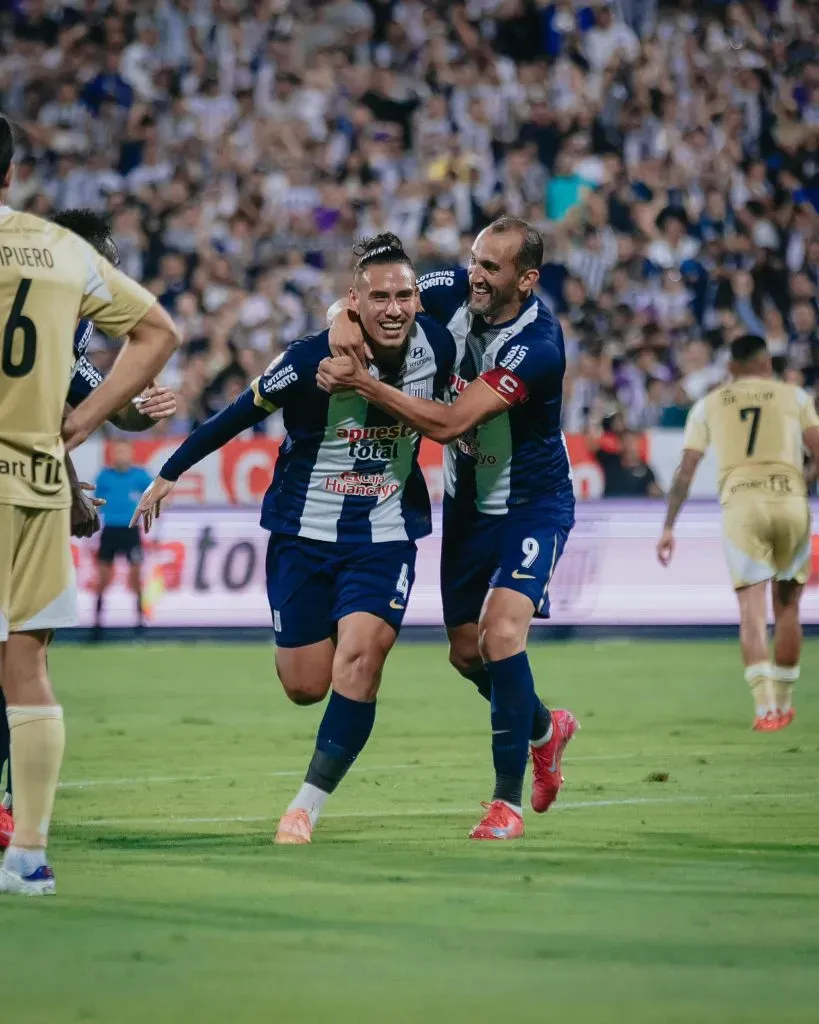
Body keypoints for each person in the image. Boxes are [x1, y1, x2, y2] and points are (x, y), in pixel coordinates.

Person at [131, 234, 456, 845]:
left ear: (418, 298)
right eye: (378, 297)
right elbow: (233, 416)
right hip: (301, 536)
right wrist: (170, 472)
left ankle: (304, 808)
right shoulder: (308, 361)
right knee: (306, 686)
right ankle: (331, 641)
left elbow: (481, 281)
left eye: (404, 296)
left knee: (362, 661)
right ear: (352, 302)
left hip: (384, 536)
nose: (393, 308)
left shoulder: (438, 341)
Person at [322, 217, 578, 841]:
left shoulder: (536, 345)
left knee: (501, 636)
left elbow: (447, 424)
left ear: (527, 278)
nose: (476, 275)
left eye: (492, 267)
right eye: (475, 260)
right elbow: (364, 298)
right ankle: (546, 730)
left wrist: (365, 384)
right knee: (466, 654)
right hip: (466, 505)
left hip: (530, 503)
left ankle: (505, 805)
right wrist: (338, 320)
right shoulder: (452, 290)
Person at [0, 116, 180, 895]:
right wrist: (81, 424)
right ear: (10, 173)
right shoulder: (59, 250)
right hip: (33, 478)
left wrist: (102, 414)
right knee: (28, 666)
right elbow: (157, 331)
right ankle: (29, 856)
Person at [657, 335, 819, 731]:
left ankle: (765, 709)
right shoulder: (794, 396)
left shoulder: (709, 404)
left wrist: (668, 527)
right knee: (788, 608)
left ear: (730, 368)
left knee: (751, 610)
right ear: (767, 364)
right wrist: (803, 480)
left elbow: (687, 470)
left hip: (743, 503)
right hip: (789, 498)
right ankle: (784, 703)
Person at [92, 441, 153, 641]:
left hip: (131, 531)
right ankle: (97, 625)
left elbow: (154, 495)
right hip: (110, 530)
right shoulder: (104, 477)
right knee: (102, 578)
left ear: (131, 454)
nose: (121, 455)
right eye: (118, 451)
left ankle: (139, 624)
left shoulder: (140, 476)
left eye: (124, 451)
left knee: (136, 577)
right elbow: (96, 502)